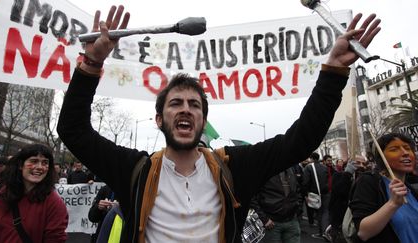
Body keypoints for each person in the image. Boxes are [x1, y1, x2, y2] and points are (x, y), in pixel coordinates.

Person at [57, 5, 380, 243]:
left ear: (203, 120)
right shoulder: (134, 170)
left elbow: (302, 139)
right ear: (159, 119)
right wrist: (93, 63)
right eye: (176, 104)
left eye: (194, 105)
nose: (185, 110)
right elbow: (73, 130)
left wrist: (333, 71)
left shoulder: (234, 167)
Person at [0, 144, 69, 243]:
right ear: (21, 165)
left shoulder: (54, 203)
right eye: (34, 161)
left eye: (45, 163)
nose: (40, 167)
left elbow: (56, 239)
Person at [349, 133, 418, 243]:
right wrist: (393, 204)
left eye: (407, 148)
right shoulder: (369, 182)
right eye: (394, 149)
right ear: (381, 157)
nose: (405, 153)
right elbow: (363, 233)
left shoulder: (410, 188)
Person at [250, 167, 302, 243]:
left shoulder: (290, 169)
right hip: (272, 223)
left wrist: (298, 210)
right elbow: (252, 197)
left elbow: (297, 191)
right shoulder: (263, 170)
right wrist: (264, 219)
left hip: (292, 220)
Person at [328, 155, 369, 243]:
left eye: (363, 163)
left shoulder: (366, 177)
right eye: (358, 163)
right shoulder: (339, 175)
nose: (361, 165)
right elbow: (337, 191)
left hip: (358, 217)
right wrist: (347, 174)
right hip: (340, 215)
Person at [302, 152, 330, 240]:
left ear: (311, 158)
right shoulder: (324, 167)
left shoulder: (308, 167)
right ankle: (326, 231)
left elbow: (305, 182)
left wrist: (305, 195)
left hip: (314, 194)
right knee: (325, 212)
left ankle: (322, 233)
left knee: (319, 214)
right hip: (325, 193)